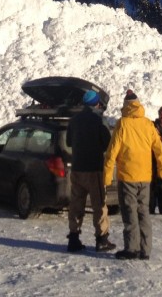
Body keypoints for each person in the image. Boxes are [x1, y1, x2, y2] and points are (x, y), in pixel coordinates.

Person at [103, 89, 162, 261]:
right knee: (143, 212)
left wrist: (107, 176)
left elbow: (112, 152)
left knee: (130, 212)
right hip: (145, 177)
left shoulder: (123, 124)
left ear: (126, 106)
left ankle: (131, 249)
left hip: (128, 176)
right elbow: (159, 149)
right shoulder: (148, 124)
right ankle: (145, 250)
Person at [65, 89, 116, 252]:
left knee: (76, 204)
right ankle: (101, 239)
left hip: (77, 168)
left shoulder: (74, 120)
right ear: (97, 103)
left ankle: (73, 238)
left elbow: (69, 142)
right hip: (94, 169)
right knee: (99, 205)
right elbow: (107, 143)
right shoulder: (99, 120)